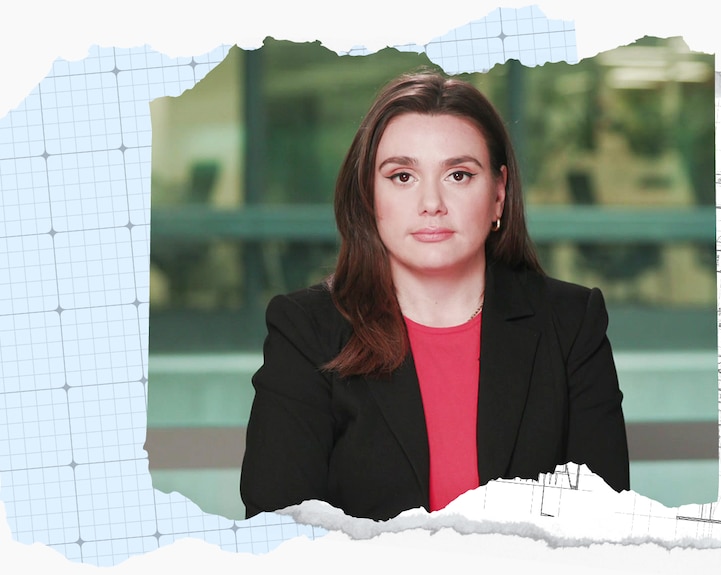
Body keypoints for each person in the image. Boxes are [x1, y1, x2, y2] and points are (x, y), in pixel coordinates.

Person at [240, 70, 629, 522]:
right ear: (368, 193)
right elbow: (277, 533)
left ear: (499, 194)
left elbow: (603, 528)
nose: (431, 203)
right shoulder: (305, 329)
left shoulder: (571, 323)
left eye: (459, 175)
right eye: (402, 176)